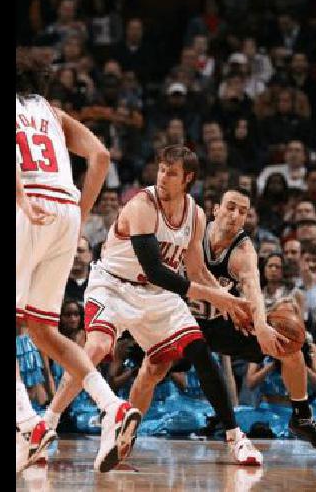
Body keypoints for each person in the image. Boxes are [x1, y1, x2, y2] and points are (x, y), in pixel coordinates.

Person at [40, 145, 258, 465]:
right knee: (97, 346)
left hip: (157, 295)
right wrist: (219, 297)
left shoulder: (194, 213)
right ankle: (48, 424)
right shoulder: (142, 203)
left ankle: (235, 437)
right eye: (161, 170)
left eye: (172, 173)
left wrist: (232, 305)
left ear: (188, 179)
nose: (163, 177)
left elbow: (196, 269)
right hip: (113, 285)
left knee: (197, 350)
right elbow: (155, 269)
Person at [15, 47, 140, 474]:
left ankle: (29, 423)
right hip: (65, 209)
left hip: (28, 205)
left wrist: (23, 201)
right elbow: (101, 156)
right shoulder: (51, 111)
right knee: (42, 329)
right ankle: (112, 406)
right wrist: (81, 213)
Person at [178, 188, 316, 450]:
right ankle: (121, 425)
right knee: (151, 368)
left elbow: (252, 286)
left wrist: (262, 324)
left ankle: (302, 416)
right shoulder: (193, 231)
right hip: (179, 318)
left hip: (221, 322)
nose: (235, 215)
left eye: (243, 211)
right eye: (230, 207)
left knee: (288, 343)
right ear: (216, 210)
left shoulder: (243, 250)